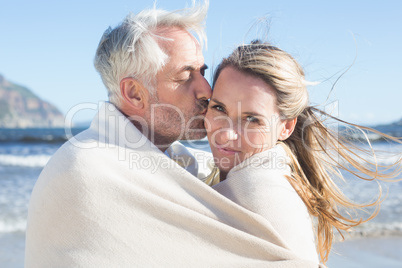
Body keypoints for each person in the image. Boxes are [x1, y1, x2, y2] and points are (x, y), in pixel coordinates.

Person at [25, 3, 323, 267]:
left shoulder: (189, 164)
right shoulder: (86, 170)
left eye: (202, 71)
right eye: (185, 76)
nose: (206, 90)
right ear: (134, 93)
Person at [205, 40, 402, 265]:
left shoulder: (257, 191)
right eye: (219, 108)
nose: (226, 134)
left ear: (286, 127)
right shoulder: (267, 178)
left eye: (252, 119)